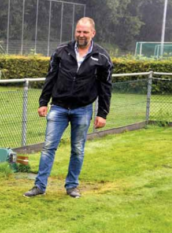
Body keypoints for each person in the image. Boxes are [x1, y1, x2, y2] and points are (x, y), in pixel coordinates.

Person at [24, 17, 113, 198]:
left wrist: (102, 113)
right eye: (78, 31)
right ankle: (39, 186)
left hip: (83, 109)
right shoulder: (61, 51)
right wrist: (43, 102)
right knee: (48, 147)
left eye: (85, 32)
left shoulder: (102, 57)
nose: (81, 35)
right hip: (58, 107)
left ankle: (71, 186)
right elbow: (50, 77)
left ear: (93, 33)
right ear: (75, 32)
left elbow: (106, 86)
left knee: (77, 149)